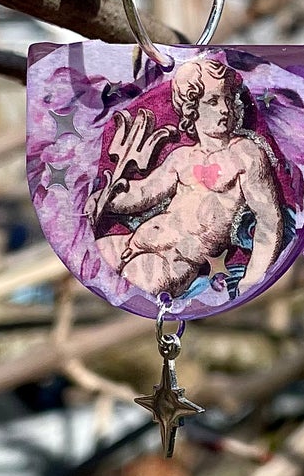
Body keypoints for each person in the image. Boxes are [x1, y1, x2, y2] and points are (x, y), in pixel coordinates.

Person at [96, 58, 283, 299]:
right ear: (191, 108)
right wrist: (105, 197)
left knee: (133, 283)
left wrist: (253, 277)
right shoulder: (182, 157)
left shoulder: (244, 154)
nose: (225, 109)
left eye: (227, 99)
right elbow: (142, 194)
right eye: (213, 102)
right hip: (132, 241)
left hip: (174, 260)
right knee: (90, 256)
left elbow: (269, 220)